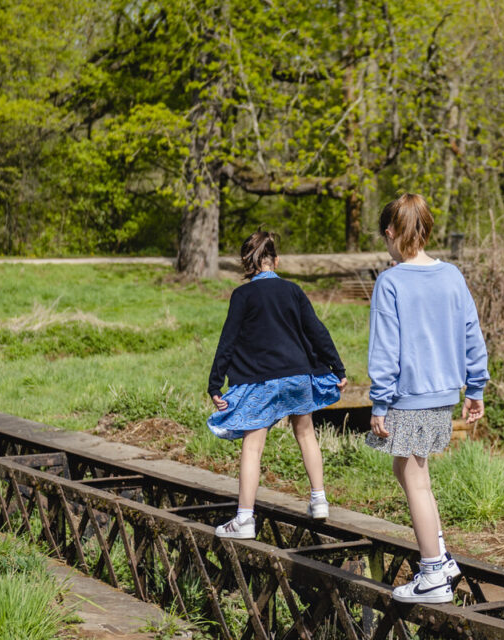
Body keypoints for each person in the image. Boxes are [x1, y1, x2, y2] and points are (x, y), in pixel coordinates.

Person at [367, 193, 488, 604]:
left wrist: (379, 402)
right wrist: (475, 388)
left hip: (410, 395)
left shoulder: (391, 281)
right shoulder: (452, 275)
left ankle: (433, 574)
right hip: (442, 395)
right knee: (407, 470)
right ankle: (441, 554)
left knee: (415, 478)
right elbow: (472, 332)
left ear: (390, 233)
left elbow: (385, 347)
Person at [207, 231, 348, 538]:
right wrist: (337, 367)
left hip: (261, 382)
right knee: (306, 433)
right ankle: (319, 499)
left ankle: (244, 519)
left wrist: (215, 385)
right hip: (297, 376)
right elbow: (317, 331)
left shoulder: (242, 296)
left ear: (247, 263)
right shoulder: (292, 290)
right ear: (276, 260)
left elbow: (227, 341)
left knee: (253, 446)